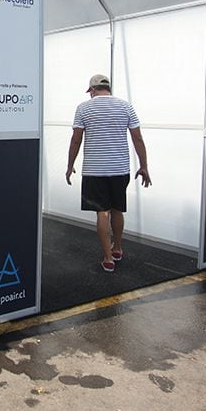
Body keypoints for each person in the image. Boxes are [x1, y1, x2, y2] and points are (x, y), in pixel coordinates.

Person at [66, 74, 151, 273]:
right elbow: (137, 138)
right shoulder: (125, 106)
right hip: (120, 169)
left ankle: (107, 258)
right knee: (117, 209)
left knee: (102, 212)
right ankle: (118, 248)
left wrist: (70, 165)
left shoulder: (83, 108)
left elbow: (75, 140)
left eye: (90, 92)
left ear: (93, 90)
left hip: (95, 171)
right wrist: (144, 165)